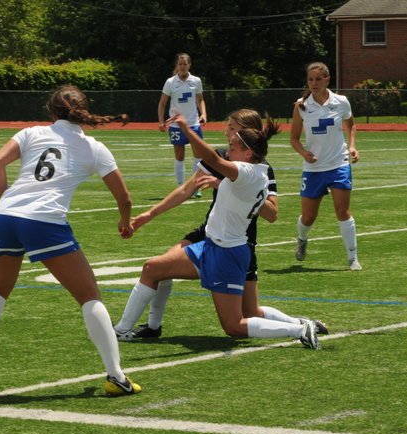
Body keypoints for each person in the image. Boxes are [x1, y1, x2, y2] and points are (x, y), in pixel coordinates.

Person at [0, 85, 141, 396]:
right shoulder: (94, 147)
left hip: (4, 217)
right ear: (83, 111)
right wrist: (125, 221)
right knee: (90, 296)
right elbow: (124, 198)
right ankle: (116, 377)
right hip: (43, 221)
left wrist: (7, 201)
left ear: (51, 111)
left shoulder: (32, 133)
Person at [114, 110, 328, 342]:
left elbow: (272, 214)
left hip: (235, 244)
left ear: (247, 137)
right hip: (211, 236)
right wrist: (149, 214)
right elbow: (189, 187)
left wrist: (238, 189)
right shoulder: (233, 161)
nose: (227, 134)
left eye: (232, 129)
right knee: (156, 268)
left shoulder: (253, 169)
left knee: (246, 317)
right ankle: (148, 327)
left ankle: (300, 326)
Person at [291, 61, 362, 271]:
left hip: (339, 164)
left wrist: (352, 146)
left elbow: (351, 125)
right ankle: (302, 239)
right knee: (308, 217)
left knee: (342, 211)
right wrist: (304, 153)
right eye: (310, 79)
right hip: (313, 169)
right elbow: (294, 138)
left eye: (318, 79)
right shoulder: (301, 106)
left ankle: (352, 258)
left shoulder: (341, 102)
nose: (314, 83)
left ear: (327, 80)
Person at [157, 53, 207, 197]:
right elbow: (162, 103)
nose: (183, 66)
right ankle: (181, 188)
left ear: (189, 65)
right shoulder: (170, 82)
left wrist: (203, 113)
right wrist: (161, 121)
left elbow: (200, 99)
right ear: (177, 65)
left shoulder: (196, 81)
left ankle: (195, 186)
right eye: (180, 64)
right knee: (179, 156)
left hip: (193, 124)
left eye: (185, 64)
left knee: (198, 155)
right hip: (176, 125)